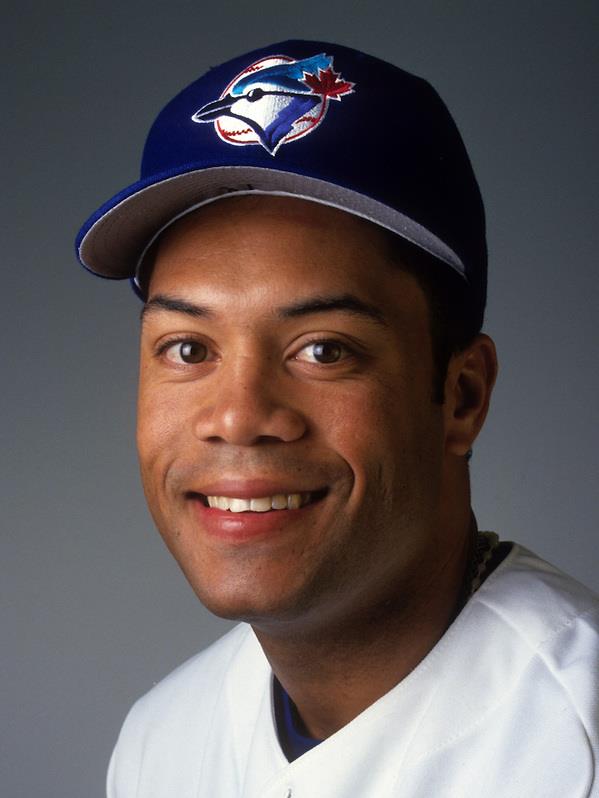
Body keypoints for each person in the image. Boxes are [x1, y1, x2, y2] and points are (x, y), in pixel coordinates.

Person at [76, 40, 599, 798]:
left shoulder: (580, 740)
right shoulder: (160, 742)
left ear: (461, 397)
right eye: (188, 347)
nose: (238, 417)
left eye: (324, 349)